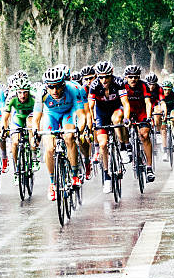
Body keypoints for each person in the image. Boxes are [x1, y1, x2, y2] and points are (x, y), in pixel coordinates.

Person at [32, 65, 85, 201]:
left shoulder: (73, 89)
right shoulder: (42, 93)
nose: (54, 90)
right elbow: (36, 118)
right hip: (51, 115)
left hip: (68, 113)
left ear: (63, 84)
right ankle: (52, 183)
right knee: (49, 148)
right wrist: (34, 133)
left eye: (57, 86)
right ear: (46, 86)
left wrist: (80, 128)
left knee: (69, 137)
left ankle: (74, 174)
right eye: (51, 87)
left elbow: (81, 114)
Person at [88, 61, 130, 194]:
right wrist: (92, 121)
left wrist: (127, 118)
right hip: (101, 113)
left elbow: (125, 103)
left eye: (106, 76)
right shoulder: (94, 85)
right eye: (101, 77)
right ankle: (106, 176)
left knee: (116, 120)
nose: (104, 80)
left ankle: (123, 147)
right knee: (103, 144)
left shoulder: (119, 82)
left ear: (111, 74)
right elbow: (90, 106)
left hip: (117, 109)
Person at [2, 76, 37, 183]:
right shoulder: (11, 97)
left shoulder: (34, 97)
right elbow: (5, 116)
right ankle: (17, 169)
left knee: (31, 126)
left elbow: (40, 114)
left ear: (29, 91)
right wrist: (4, 129)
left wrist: (37, 131)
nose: (22, 95)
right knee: (15, 142)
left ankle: (34, 156)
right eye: (20, 92)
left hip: (31, 116)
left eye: (25, 92)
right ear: (16, 92)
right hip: (18, 117)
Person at [123, 65, 155, 182]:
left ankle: (149, 167)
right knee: (121, 127)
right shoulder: (122, 85)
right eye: (130, 77)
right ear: (126, 77)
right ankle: (127, 147)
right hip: (128, 111)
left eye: (135, 77)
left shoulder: (143, 85)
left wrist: (148, 116)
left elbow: (148, 102)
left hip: (141, 111)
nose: (133, 79)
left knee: (145, 135)